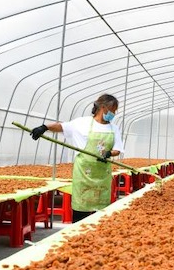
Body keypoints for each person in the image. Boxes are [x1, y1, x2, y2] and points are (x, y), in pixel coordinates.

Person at [30, 94, 124, 222]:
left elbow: (117, 150)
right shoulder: (82, 123)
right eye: (113, 110)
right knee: (81, 210)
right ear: (103, 107)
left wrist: (108, 153)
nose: (113, 113)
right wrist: (44, 127)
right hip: (84, 175)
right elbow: (62, 127)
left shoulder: (114, 128)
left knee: (101, 213)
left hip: (102, 176)